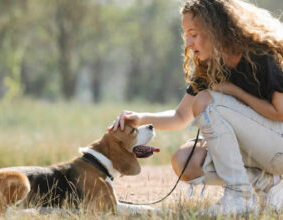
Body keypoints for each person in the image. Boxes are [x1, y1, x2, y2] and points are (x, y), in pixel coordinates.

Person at [109, 0, 283, 216]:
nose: (189, 43)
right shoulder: (210, 66)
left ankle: (240, 196)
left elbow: (280, 112)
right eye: (186, 35)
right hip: (259, 151)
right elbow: (181, 116)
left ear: (215, 30)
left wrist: (234, 92)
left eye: (194, 34)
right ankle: (267, 183)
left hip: (279, 147)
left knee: (205, 101)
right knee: (185, 161)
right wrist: (141, 118)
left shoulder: (259, 53)